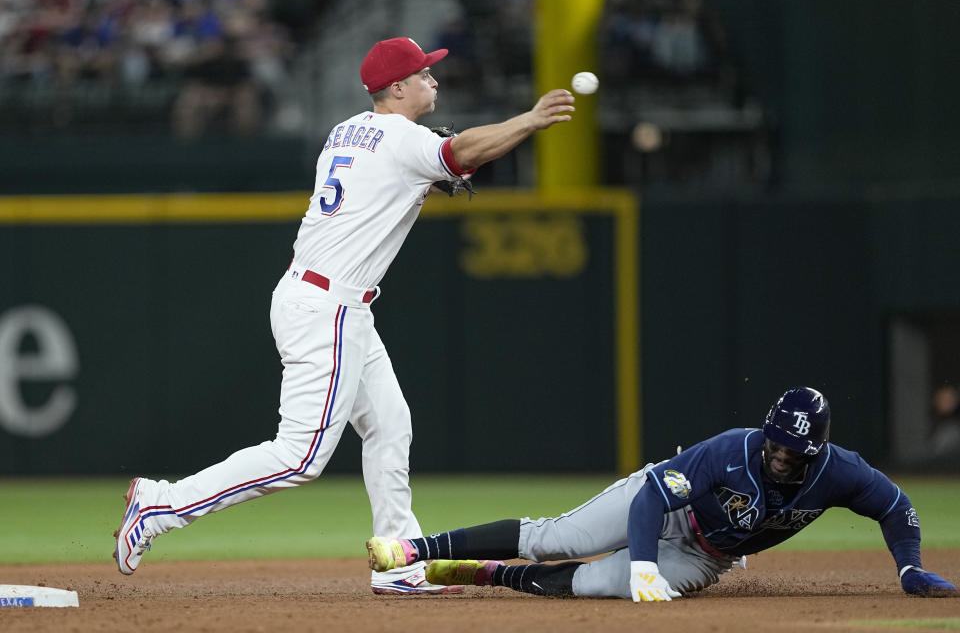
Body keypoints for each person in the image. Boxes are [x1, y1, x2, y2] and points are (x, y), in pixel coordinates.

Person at [113, 36, 575, 595]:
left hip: (323, 299)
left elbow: (424, 166)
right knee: (300, 456)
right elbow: (462, 154)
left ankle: (399, 560)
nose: (434, 80)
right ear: (398, 88)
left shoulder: (347, 130)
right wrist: (527, 120)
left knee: (389, 423)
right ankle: (161, 505)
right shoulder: (404, 139)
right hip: (326, 306)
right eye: (425, 74)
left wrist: (439, 169)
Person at [366, 387, 958, 600]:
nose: (780, 457)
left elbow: (895, 508)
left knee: (599, 583)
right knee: (560, 538)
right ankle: (416, 551)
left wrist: (910, 570)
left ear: (816, 451)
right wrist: (645, 565)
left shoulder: (841, 472)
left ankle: (487, 574)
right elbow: (653, 497)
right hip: (665, 507)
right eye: (775, 445)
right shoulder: (731, 448)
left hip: (704, 554)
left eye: (792, 453)